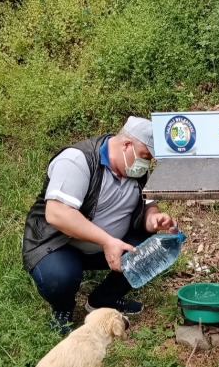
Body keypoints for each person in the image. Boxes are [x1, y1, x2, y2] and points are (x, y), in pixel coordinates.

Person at [22, 116, 176, 334]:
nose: (146, 164)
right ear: (126, 145)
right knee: (58, 278)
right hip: (59, 243)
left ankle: (103, 300)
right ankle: (63, 308)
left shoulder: (137, 170)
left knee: (156, 248)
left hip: (110, 245)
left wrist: (154, 220)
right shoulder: (77, 160)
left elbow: (149, 207)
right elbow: (58, 214)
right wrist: (106, 241)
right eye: (145, 156)